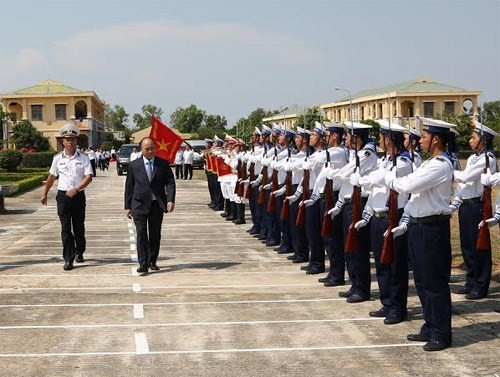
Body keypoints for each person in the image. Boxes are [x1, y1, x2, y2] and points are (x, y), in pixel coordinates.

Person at [385, 117, 455, 351]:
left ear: (436, 139)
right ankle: (430, 324)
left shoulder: (439, 165)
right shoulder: (429, 163)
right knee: (423, 281)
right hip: (419, 226)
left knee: (434, 283)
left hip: (431, 228)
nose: (420, 140)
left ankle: (442, 332)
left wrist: (389, 178)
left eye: (424, 137)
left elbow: (408, 186)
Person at [451, 120, 497, 299]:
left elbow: (467, 176)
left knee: (480, 246)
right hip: (466, 205)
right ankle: (471, 281)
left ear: (483, 141)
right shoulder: (472, 158)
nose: (470, 140)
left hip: (478, 205)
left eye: (474, 137)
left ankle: (481, 284)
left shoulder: (488, 158)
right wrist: (456, 202)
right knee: (467, 245)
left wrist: (448, 170)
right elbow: (464, 185)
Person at [40, 124, 93, 271]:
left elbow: (89, 177)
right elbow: (51, 177)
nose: (70, 142)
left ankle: (79, 250)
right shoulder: (57, 159)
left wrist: (76, 189)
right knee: (65, 228)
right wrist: (45, 193)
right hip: (62, 196)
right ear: (63, 142)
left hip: (78, 196)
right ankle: (68, 258)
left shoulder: (83, 158)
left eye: (73, 139)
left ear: (77, 141)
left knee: (78, 226)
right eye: (67, 139)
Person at [124, 137, 176, 275]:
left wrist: (170, 200)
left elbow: (170, 182)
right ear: (141, 149)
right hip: (139, 204)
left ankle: (152, 260)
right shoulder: (134, 165)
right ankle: (143, 263)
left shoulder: (162, 164)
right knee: (141, 233)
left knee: (155, 234)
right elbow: (129, 186)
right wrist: (127, 206)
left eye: (152, 148)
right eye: (146, 149)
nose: (150, 151)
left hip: (156, 204)